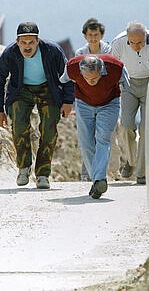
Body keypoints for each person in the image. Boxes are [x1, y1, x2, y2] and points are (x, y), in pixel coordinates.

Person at [0, 22, 74, 189]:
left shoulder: (52, 51)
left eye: (31, 42)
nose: (27, 47)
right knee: (19, 126)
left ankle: (43, 174)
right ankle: (24, 167)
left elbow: (67, 75)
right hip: (21, 90)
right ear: (17, 41)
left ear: (37, 41)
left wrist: (68, 101)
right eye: (23, 42)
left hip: (48, 88)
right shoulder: (10, 53)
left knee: (49, 129)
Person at [60, 54, 128, 199]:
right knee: (85, 144)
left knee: (102, 139)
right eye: (87, 79)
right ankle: (96, 181)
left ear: (101, 70)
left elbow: (128, 85)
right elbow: (63, 81)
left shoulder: (116, 67)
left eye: (95, 78)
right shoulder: (72, 67)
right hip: (84, 104)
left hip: (109, 103)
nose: (91, 82)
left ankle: (100, 179)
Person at [111, 22, 149, 185]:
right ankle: (131, 161)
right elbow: (112, 67)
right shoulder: (118, 43)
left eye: (139, 43)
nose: (136, 46)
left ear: (146, 37)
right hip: (128, 83)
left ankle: (141, 172)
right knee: (126, 126)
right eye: (132, 42)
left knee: (146, 128)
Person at [74, 18, 124, 182]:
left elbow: (118, 72)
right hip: (86, 100)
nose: (93, 38)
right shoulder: (80, 54)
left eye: (96, 35)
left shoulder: (109, 52)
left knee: (108, 137)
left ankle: (114, 171)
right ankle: (90, 174)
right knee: (87, 138)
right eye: (90, 35)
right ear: (85, 36)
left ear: (101, 35)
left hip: (108, 100)